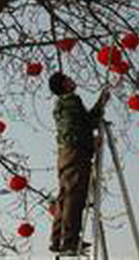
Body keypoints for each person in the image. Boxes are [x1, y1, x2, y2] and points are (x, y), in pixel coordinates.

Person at [48, 72, 111, 255]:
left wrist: (101, 103)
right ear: (64, 85)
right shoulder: (71, 102)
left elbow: (82, 124)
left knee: (65, 196)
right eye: (67, 79)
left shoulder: (62, 105)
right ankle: (69, 241)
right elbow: (83, 126)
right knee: (74, 197)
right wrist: (91, 142)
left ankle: (58, 240)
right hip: (76, 153)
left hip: (66, 153)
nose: (71, 79)